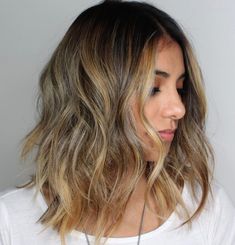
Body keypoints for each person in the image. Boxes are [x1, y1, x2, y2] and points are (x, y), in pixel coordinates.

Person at [0, 0, 235, 244]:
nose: (179, 108)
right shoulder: (12, 221)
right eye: (153, 89)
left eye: (180, 88)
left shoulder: (207, 211)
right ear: (95, 95)